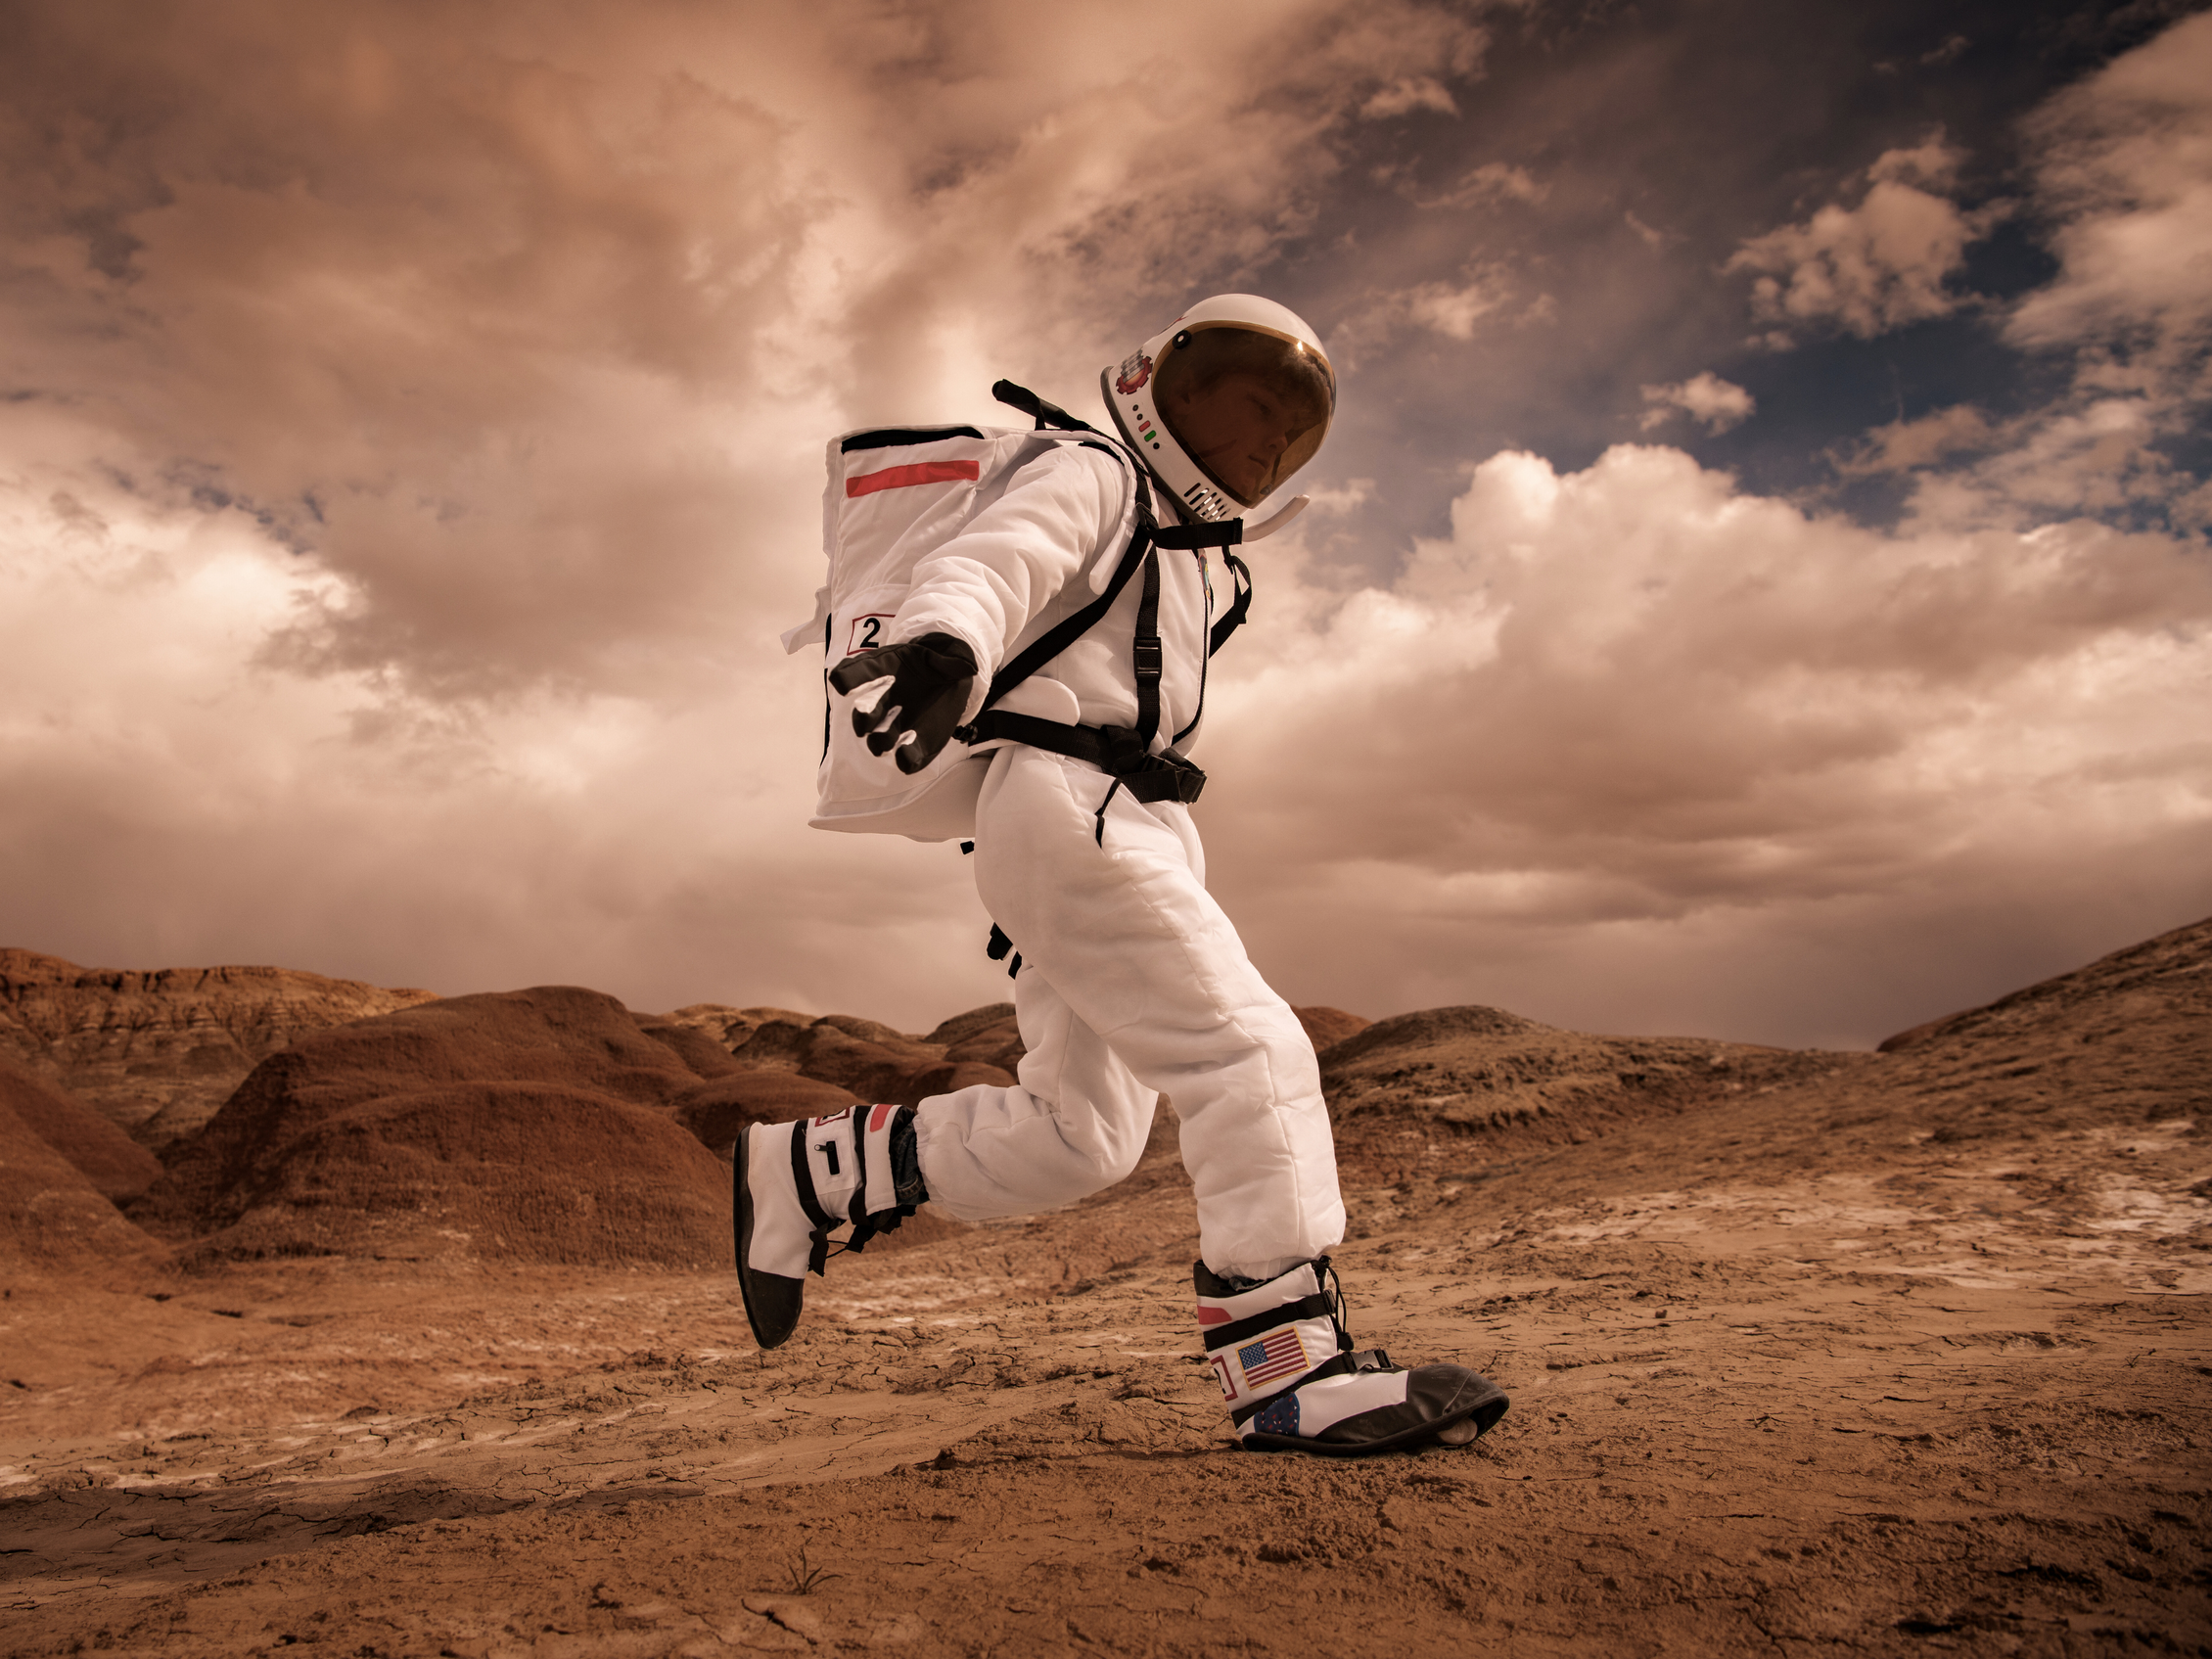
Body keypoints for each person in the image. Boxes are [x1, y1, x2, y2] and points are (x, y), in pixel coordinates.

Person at [737, 295, 1507, 1454]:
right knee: (1248, 1052)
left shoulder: (1197, 552)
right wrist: (948, 643)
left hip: (1111, 820)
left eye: (1278, 435)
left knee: (1082, 1135)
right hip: (1067, 809)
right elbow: (996, 560)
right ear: (1164, 379)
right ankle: (1289, 1372)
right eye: (1242, 409)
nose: (1255, 446)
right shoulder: (1094, 472)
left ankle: (808, 1171)